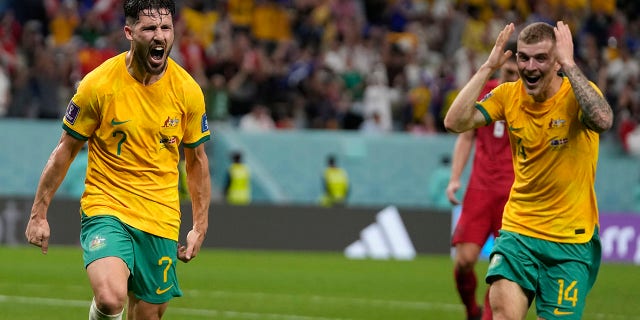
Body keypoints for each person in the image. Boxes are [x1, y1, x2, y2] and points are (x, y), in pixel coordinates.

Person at [24, 1, 212, 319]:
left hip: (161, 217)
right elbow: (65, 150)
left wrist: (200, 225)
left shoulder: (187, 92)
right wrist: (38, 213)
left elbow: (196, 162)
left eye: (165, 28)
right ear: (129, 32)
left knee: (148, 314)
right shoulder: (97, 86)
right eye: (150, 28)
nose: (160, 36)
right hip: (107, 207)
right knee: (111, 298)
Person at [444, 21, 613, 320]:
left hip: (569, 241)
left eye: (541, 58)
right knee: (503, 314)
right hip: (519, 231)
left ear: (556, 60)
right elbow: (455, 123)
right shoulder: (508, 96)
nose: (530, 66)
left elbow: (602, 120)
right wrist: (487, 67)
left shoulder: (576, 96)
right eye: (524, 57)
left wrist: (570, 65)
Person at [446, 41, 519, 320]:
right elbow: (465, 135)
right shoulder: (486, 93)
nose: (510, 76)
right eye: (507, 70)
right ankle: (471, 310)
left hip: (512, 195)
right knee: (464, 261)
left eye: (515, 72)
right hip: (479, 189)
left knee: (500, 268)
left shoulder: (527, 99)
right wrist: (454, 178)